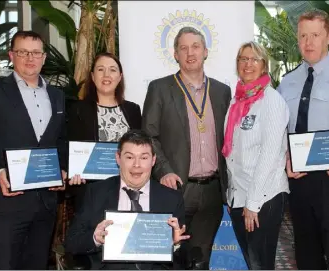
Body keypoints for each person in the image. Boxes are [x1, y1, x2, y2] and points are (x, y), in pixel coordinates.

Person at [142, 26, 231, 268]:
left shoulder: (222, 92)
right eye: (183, 48)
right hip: (175, 188)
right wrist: (164, 170)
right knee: (168, 257)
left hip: (212, 191)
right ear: (175, 54)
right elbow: (149, 135)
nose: (190, 53)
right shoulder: (159, 88)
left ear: (205, 51)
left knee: (201, 260)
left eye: (195, 47)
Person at [278, 9, 329, 269]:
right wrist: (285, 157)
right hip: (300, 182)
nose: (308, 42)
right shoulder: (287, 82)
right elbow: (279, 130)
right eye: (303, 36)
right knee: (306, 254)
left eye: (315, 35)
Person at [0, 30, 67, 269]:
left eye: (35, 53)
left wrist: (63, 170)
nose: (30, 58)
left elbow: (60, 140)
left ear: (44, 57)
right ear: (11, 55)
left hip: (45, 202)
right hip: (6, 201)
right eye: (23, 52)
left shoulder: (57, 96)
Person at [65, 130, 189, 270]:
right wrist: (95, 238)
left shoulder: (171, 199)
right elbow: (71, 242)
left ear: (153, 160)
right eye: (129, 157)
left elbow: (185, 256)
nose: (137, 165)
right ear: (118, 158)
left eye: (144, 158)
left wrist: (175, 244)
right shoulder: (96, 193)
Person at [223, 41, 290, 270]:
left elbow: (270, 155)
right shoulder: (237, 100)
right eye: (243, 59)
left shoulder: (271, 101)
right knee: (252, 264)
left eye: (254, 59)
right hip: (240, 196)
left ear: (264, 65)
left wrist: (252, 203)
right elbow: (233, 152)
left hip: (263, 198)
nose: (248, 64)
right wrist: (232, 194)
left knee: (261, 264)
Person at [67, 52, 142, 207]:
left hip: (128, 190)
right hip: (91, 192)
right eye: (101, 69)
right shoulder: (77, 110)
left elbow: (141, 147)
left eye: (112, 70)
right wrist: (71, 170)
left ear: (120, 77)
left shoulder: (133, 110)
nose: (106, 75)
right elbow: (67, 145)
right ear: (93, 76)